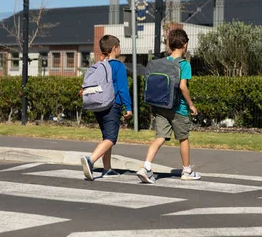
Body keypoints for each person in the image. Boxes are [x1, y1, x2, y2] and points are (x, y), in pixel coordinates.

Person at [136, 29, 200, 184]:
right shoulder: (184, 65)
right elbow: (183, 87)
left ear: (170, 45)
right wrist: (191, 104)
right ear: (184, 45)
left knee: (159, 138)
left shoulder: (160, 63)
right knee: (183, 138)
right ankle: (186, 170)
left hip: (161, 107)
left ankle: (146, 167)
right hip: (179, 108)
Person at [80, 35, 132, 181]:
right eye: (119, 46)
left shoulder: (99, 64)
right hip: (112, 105)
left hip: (98, 105)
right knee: (111, 138)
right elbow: (123, 88)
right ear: (114, 48)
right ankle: (90, 160)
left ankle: (107, 168)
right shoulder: (118, 66)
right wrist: (128, 107)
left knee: (106, 136)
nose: (120, 49)